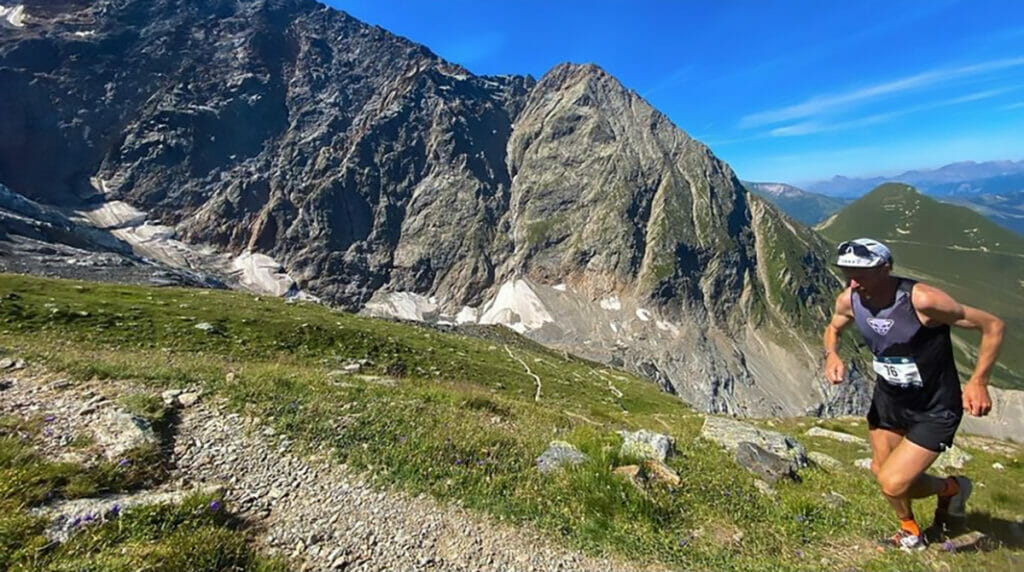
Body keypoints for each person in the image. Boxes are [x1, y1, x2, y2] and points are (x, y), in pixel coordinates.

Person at [822, 237, 1004, 551]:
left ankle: (951, 489)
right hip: (889, 400)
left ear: (885, 268)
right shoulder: (849, 299)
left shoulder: (921, 300)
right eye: (846, 272)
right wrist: (831, 354)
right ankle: (911, 529)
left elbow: (993, 326)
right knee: (883, 473)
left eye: (861, 272)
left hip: (935, 406)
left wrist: (979, 381)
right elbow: (833, 327)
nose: (852, 280)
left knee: (893, 482)